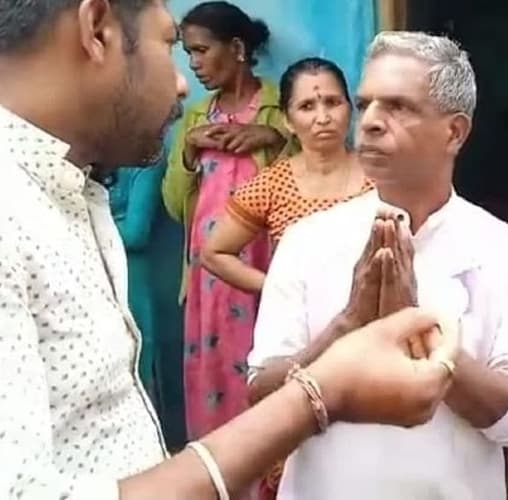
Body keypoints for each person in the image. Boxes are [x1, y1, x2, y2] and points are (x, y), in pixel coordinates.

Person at [0, 2, 459, 497]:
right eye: (170, 45)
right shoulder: (13, 213)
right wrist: (322, 392)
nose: (183, 83)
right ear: (97, 30)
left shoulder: (72, 195)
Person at [247, 31, 508, 500]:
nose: (369, 121)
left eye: (398, 106)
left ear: (454, 132)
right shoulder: (308, 242)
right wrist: (348, 326)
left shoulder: (506, 253)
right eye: (366, 103)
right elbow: (262, 393)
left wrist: (421, 330)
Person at [160, 1, 296, 440]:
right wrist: (187, 153)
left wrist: (275, 140)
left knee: (268, 381)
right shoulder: (196, 118)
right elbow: (175, 205)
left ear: (237, 48)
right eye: (188, 52)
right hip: (208, 280)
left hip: (266, 275)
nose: (193, 64)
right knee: (214, 383)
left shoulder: (283, 110)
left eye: (201, 50)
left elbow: (316, 183)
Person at [202, 57, 374, 294]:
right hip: (301, 326)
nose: (323, 118)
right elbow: (214, 254)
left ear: (350, 109)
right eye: (307, 106)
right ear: (288, 120)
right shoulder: (272, 185)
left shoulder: (382, 178)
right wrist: (280, 291)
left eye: (333, 103)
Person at [109, 165, 167, 400]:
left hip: (131, 277)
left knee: (135, 364)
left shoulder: (142, 166)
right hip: (92, 269)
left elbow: (135, 233)